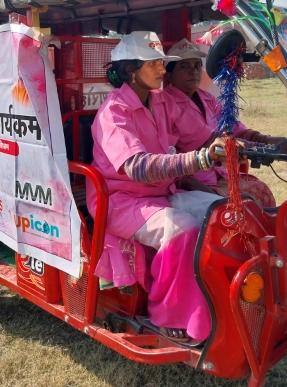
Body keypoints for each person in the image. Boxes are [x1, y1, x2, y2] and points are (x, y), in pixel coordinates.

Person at [86, 32, 232, 344]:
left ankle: (217, 295)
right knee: (182, 230)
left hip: (161, 193)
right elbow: (138, 168)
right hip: (122, 201)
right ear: (131, 69)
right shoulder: (113, 112)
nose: (162, 69)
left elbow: (199, 136)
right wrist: (200, 159)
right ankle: (166, 314)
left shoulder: (162, 100)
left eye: (162, 63)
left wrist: (240, 144)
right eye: (154, 63)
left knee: (222, 210)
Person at [164, 39, 287, 208]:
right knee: (232, 208)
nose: (193, 71)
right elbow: (211, 139)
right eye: (184, 66)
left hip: (218, 175)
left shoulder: (206, 98)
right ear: (169, 75)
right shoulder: (168, 102)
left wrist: (268, 139)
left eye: (197, 65)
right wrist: (265, 147)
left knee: (260, 190)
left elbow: (234, 128)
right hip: (189, 181)